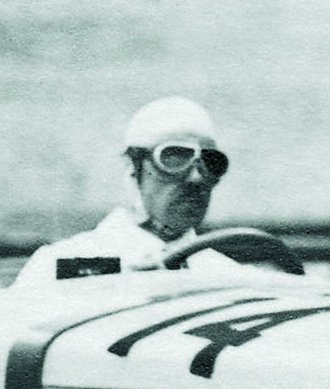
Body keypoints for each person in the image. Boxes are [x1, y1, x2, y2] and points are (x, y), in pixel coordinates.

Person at [15, 97, 233, 287]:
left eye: (210, 163)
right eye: (173, 158)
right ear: (133, 168)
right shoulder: (60, 266)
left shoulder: (228, 277)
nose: (196, 178)